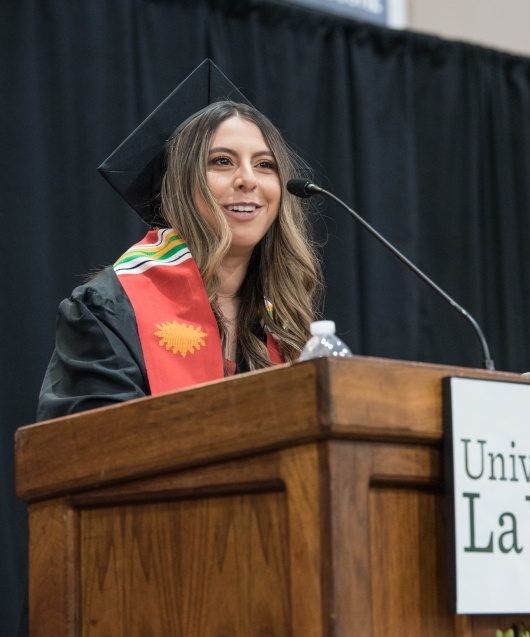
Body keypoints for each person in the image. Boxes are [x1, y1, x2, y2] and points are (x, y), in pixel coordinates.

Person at [37, 60, 323, 421]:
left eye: (265, 165)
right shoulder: (111, 309)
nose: (248, 179)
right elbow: (87, 451)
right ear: (180, 187)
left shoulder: (283, 322)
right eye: (222, 161)